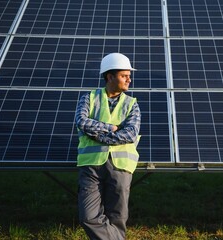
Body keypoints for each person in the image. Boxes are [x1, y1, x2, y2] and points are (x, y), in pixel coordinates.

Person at [75, 53, 141, 240]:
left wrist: (99, 135)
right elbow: (82, 122)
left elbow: (130, 133)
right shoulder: (89, 98)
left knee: (118, 217)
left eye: (128, 75)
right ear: (109, 77)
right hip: (91, 165)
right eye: (124, 75)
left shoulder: (132, 104)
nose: (129, 79)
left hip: (121, 166)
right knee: (88, 217)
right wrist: (111, 128)